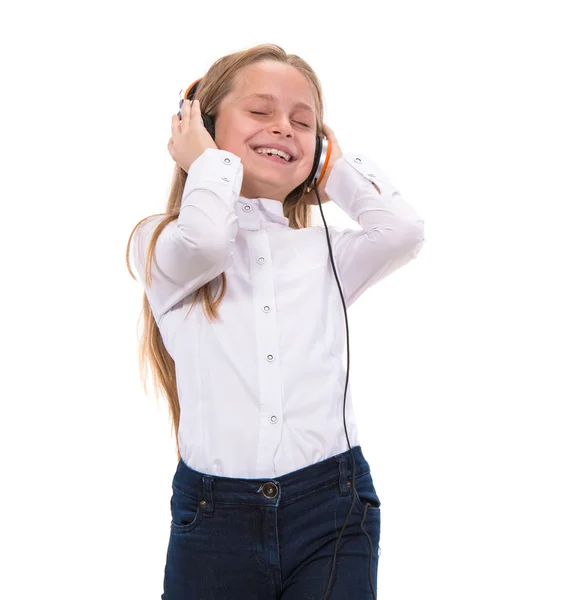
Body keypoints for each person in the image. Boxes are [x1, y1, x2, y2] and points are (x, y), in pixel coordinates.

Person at [126, 43, 425, 600]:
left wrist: (332, 169)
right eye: (260, 112)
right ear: (203, 125)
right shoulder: (160, 243)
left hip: (333, 507)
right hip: (214, 520)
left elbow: (402, 232)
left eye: (303, 121)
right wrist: (207, 164)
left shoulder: (326, 252)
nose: (284, 127)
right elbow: (209, 237)